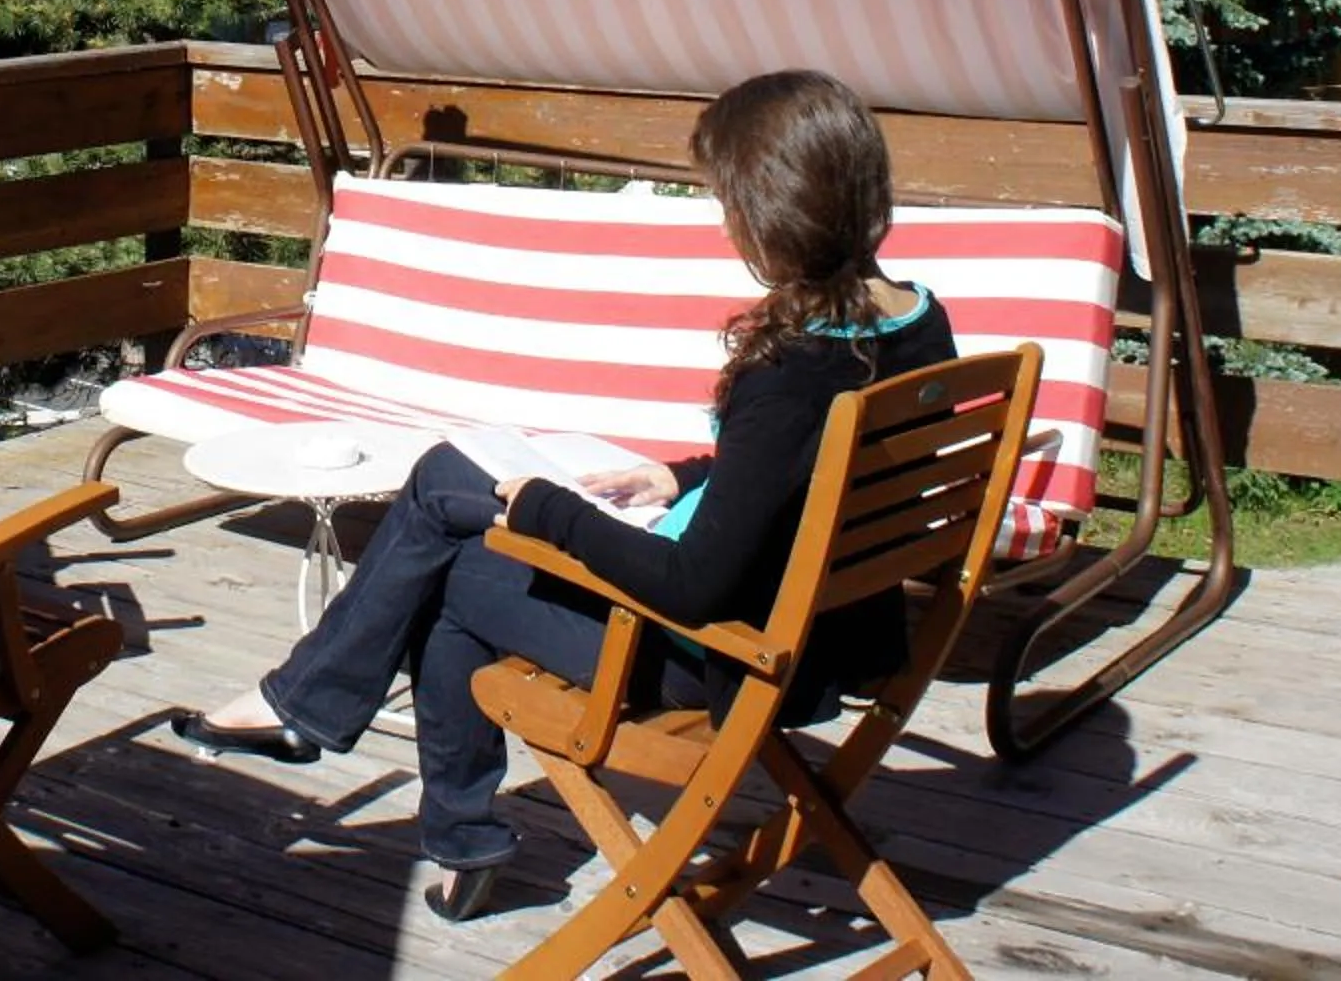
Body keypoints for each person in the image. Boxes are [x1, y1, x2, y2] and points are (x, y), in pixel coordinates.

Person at [166, 68, 957, 922]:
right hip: (830, 630)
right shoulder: (913, 320)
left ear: (769, 212)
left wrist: (545, 508)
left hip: (724, 652)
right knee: (443, 485)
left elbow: (695, 587)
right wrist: (683, 476)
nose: (728, 227)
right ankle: (338, 735)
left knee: (448, 575)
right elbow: (811, 471)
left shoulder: (790, 376)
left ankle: (372, 762)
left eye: (730, 206)